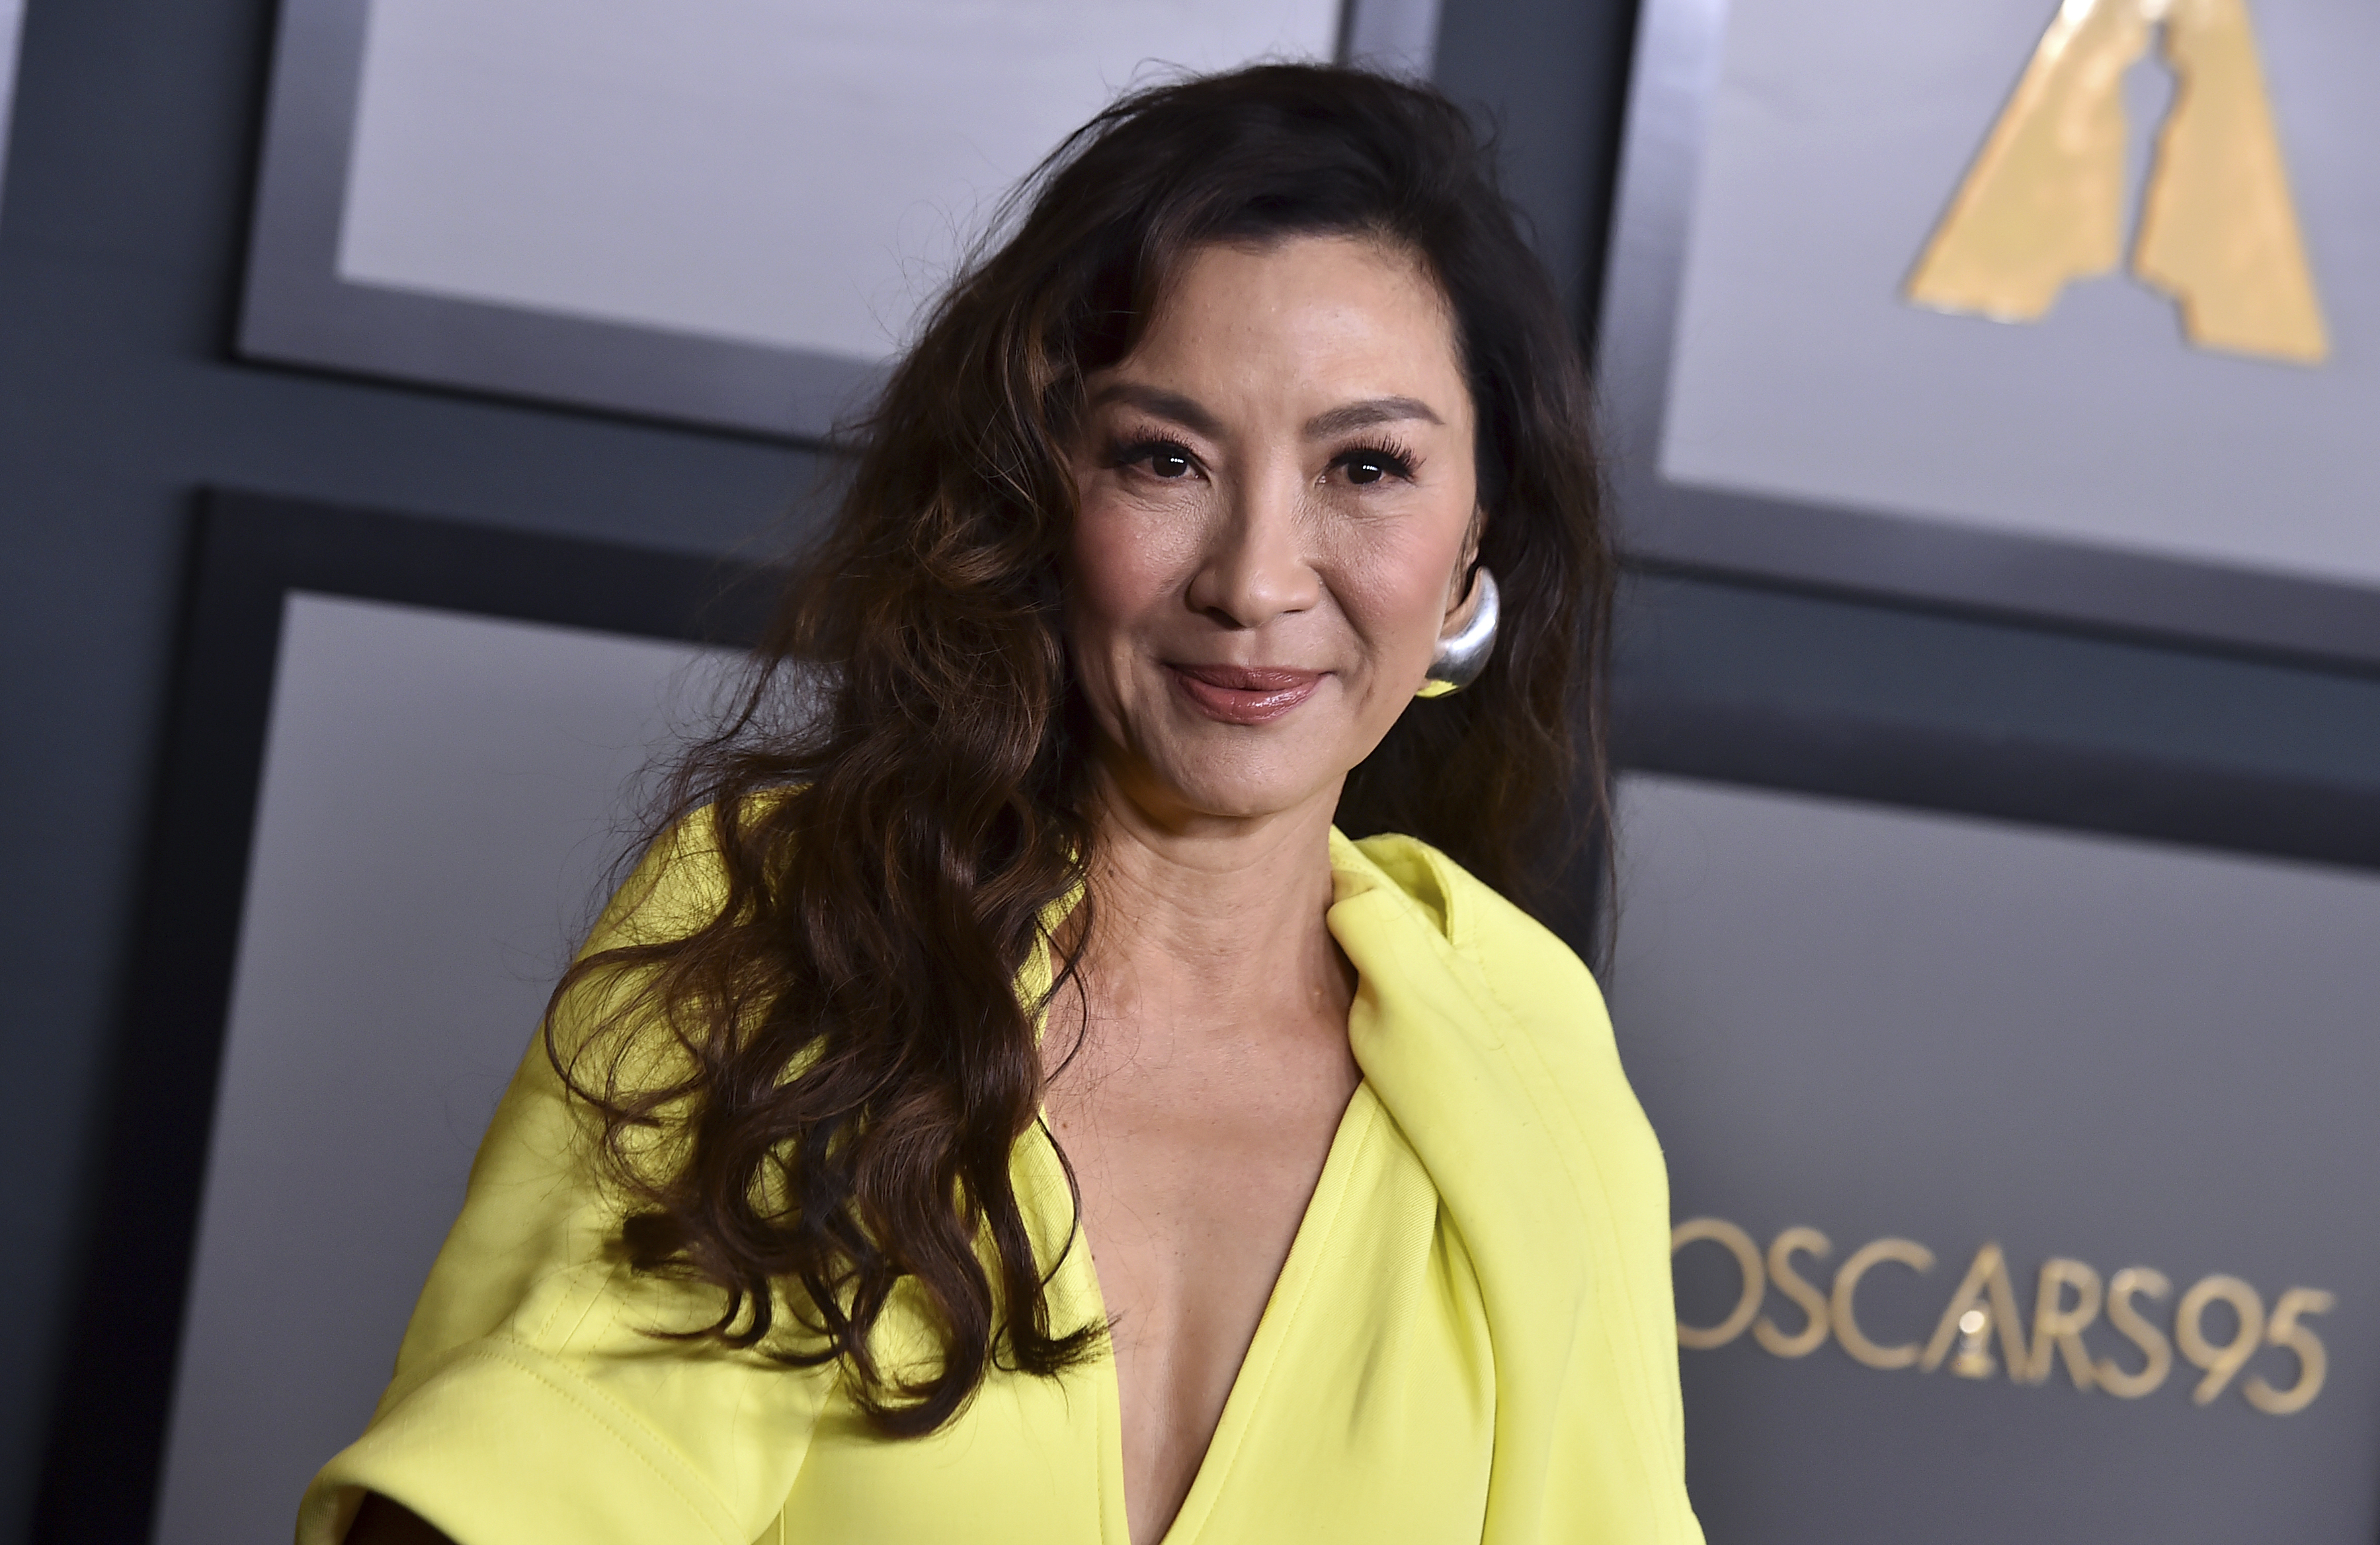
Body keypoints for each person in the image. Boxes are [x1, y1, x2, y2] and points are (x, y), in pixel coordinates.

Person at [302, 63, 1702, 1545]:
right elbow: (518, 1490)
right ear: (1040, 493)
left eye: (1367, 466)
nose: (1256, 577)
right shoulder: (800, 925)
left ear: (1476, 542)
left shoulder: (1523, 1042)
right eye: (1165, 458)